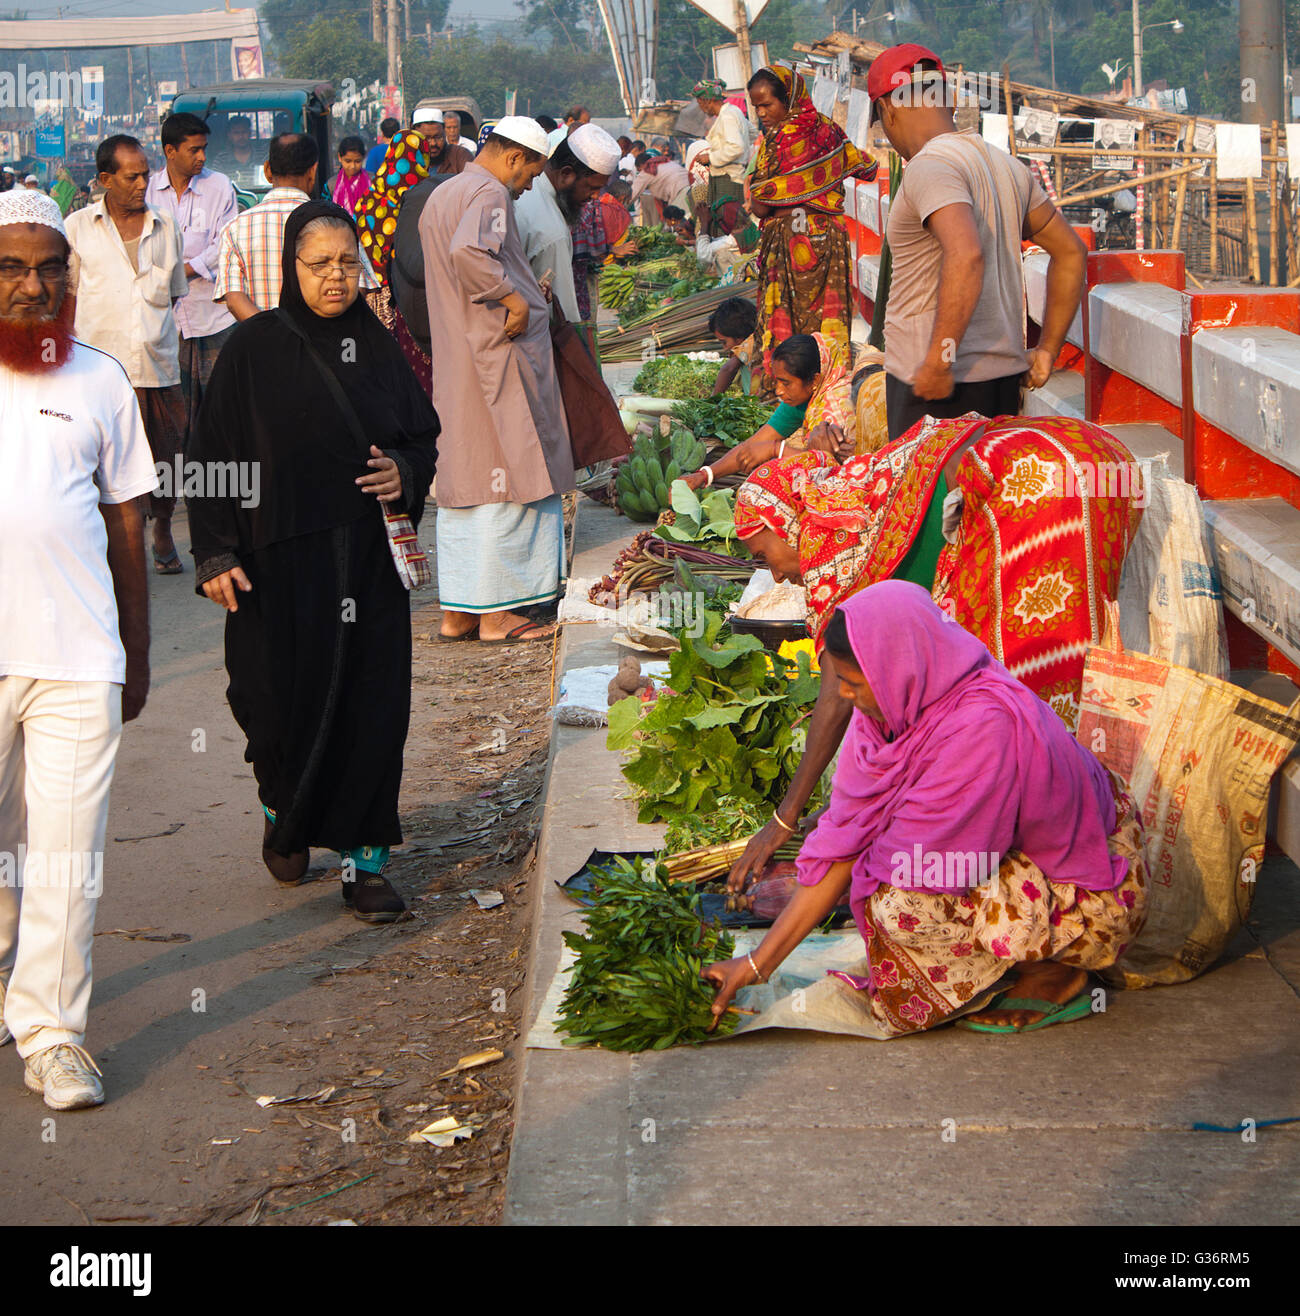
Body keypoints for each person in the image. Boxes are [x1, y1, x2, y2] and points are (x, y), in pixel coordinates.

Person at [704, 583, 1148, 1037]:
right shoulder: (888, 713)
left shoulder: (980, 726)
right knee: (878, 873)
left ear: (897, 671)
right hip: (1016, 855)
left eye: (853, 684)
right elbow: (844, 836)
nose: (845, 697)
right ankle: (1010, 960)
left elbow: (903, 863)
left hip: (1096, 889)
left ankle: (1056, 968)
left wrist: (859, 871)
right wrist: (755, 964)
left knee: (900, 902)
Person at [725, 411, 1144, 887]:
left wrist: (785, 817)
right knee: (1000, 676)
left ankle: (1066, 863)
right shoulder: (853, 489)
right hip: (1085, 454)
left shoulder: (828, 530)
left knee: (1019, 684)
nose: (776, 575)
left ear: (787, 521)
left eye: (765, 557)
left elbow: (839, 688)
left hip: (1035, 483)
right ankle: (1081, 826)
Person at [188, 201, 440, 922]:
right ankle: (282, 805)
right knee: (267, 703)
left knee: (373, 706)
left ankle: (366, 863)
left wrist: (403, 468)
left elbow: (422, 437)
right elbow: (209, 457)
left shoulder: (380, 344)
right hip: (273, 567)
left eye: (346, 264)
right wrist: (214, 553)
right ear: (290, 268)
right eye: (319, 264)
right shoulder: (253, 348)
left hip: (364, 562)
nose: (336, 278)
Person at [0, 189, 157, 1109]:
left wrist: (135, 653)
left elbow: (127, 521)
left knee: (66, 854)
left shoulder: (99, 379)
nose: (33, 286)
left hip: (78, 655)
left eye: (49, 270)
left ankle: (53, 1032)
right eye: (13, 270)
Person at [868, 44, 1087, 440]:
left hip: (936, 386)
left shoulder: (929, 167)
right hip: (1000, 383)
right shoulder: (1005, 164)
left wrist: (940, 360)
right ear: (947, 99)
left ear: (889, 109)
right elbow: (1071, 251)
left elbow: (967, 254)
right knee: (981, 499)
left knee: (930, 501)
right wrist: (1047, 352)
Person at [419, 117, 573, 644]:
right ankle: (499, 615)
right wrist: (512, 297)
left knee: (468, 482)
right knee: (512, 477)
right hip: (496, 359)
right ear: (513, 157)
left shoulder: (448, 190)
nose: (530, 184)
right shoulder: (489, 192)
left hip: (463, 356)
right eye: (532, 171)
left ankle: (460, 612)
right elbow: (470, 253)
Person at [66, 133, 188, 574]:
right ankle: (116, 538)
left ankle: (161, 529)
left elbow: (175, 295)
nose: (142, 184)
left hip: (157, 366)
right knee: (104, 460)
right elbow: (69, 296)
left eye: (145, 175)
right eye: (132, 177)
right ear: (105, 180)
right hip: (100, 372)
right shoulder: (77, 228)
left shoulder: (165, 225)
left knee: (166, 457)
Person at [147, 112, 241, 542]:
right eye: (193, 150)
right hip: (164, 326)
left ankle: (220, 524)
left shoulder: (220, 187)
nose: (202, 156)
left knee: (219, 423)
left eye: (205, 148)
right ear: (170, 152)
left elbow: (226, 242)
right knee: (169, 430)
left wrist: (184, 269)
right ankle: (164, 524)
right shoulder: (147, 190)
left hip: (214, 320)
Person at [747, 64, 877, 366]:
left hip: (789, 237)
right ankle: (829, 380)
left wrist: (760, 191)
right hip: (828, 237)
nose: (762, 114)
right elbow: (866, 167)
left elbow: (760, 205)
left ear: (788, 98)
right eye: (757, 108)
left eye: (767, 105)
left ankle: (786, 389)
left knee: (787, 319)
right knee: (825, 319)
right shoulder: (828, 130)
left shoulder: (776, 141)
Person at [216, 133, 373, 321]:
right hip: (323, 342)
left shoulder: (235, 228)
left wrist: (271, 334)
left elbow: (234, 298)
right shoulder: (336, 222)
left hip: (263, 345)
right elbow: (359, 286)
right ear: (313, 171)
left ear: (267, 170)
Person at [685, 334, 857, 482]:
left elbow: (826, 471)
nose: (778, 391)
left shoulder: (837, 408)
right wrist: (704, 476)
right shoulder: (800, 398)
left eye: (786, 383)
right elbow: (752, 445)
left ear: (814, 381)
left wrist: (775, 449)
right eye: (778, 381)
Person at [515, 124, 618, 324]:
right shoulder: (551, 232)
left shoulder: (531, 190)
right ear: (566, 173)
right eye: (591, 188)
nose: (594, 197)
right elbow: (563, 315)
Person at [355, 127, 433, 287]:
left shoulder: (370, 195)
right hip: (416, 289)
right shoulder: (429, 195)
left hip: (374, 289)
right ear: (423, 156)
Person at [692, 77, 753, 237]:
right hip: (729, 176)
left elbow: (736, 147)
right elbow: (751, 134)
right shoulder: (735, 112)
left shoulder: (728, 116)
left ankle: (726, 256)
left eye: (700, 103)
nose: (701, 108)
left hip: (728, 178)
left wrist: (711, 157)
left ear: (707, 101)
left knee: (726, 223)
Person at [707, 295, 758, 395]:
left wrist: (712, 400)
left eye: (724, 342)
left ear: (739, 336)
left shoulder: (750, 344)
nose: (725, 348)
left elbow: (729, 369)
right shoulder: (758, 340)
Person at [630, 151, 690, 226]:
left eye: (639, 170)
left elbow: (632, 194)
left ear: (642, 165)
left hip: (679, 194)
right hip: (690, 189)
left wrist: (619, 206)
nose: (639, 173)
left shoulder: (647, 170)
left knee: (679, 227)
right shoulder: (667, 163)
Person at [411, 107, 470, 175]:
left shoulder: (460, 156)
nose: (433, 143)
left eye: (438, 137)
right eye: (427, 138)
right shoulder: (408, 160)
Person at [329, 135, 371, 214]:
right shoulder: (331, 185)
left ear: (363, 157)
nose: (353, 166)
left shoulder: (373, 181)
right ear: (339, 157)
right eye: (348, 161)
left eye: (357, 161)